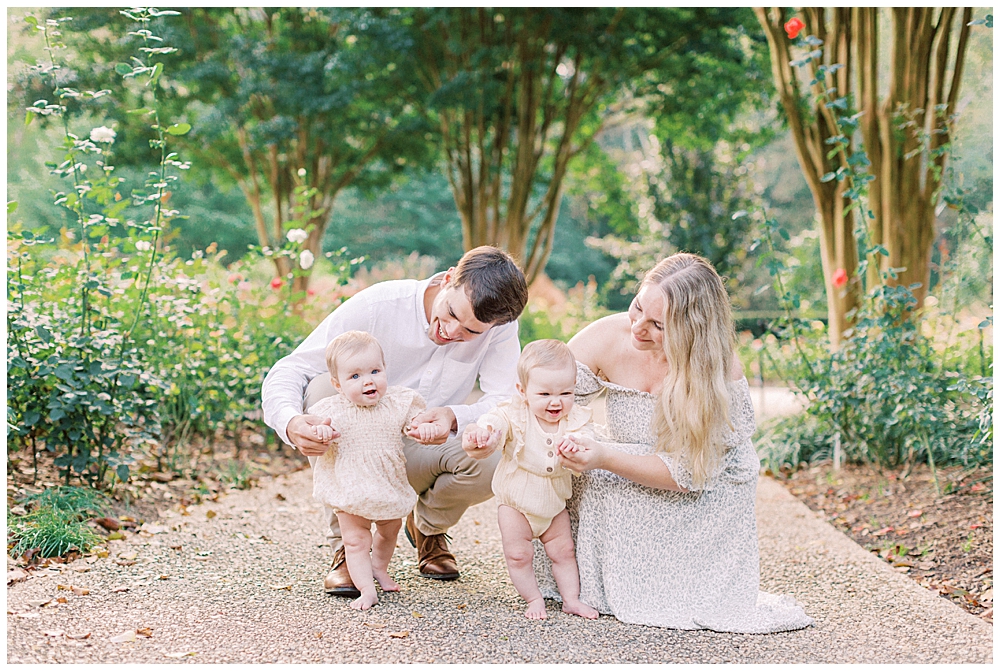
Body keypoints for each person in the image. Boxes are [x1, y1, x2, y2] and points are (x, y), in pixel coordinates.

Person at [534, 253, 812, 632]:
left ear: (690, 331)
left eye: (657, 325)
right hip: (630, 459)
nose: (637, 327)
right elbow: (544, 389)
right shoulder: (608, 335)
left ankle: (654, 583)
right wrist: (570, 436)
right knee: (563, 474)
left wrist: (603, 456)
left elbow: (688, 476)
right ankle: (578, 580)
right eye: (637, 308)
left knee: (605, 480)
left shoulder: (715, 369)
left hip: (705, 488)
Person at [262, 246, 528, 597]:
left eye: (470, 332)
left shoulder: (500, 328)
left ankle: (427, 527)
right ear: (448, 278)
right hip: (358, 443)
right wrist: (290, 422)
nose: (450, 331)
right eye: (450, 313)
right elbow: (292, 368)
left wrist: (453, 417)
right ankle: (347, 545)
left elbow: (506, 400)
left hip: (424, 444)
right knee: (322, 387)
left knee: (494, 450)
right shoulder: (379, 305)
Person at [462, 340, 599, 621]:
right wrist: (486, 431)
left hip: (554, 504)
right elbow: (495, 420)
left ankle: (571, 599)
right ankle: (533, 598)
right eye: (545, 393)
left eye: (566, 392)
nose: (556, 401)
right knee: (518, 555)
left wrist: (579, 444)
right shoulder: (515, 414)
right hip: (516, 503)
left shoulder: (575, 420)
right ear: (523, 392)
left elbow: (589, 438)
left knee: (564, 551)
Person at [308, 331, 438, 610]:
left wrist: (422, 426)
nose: (368, 380)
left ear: (384, 370)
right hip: (349, 484)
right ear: (337, 384)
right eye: (354, 377)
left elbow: (414, 422)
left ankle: (379, 566)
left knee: (390, 530)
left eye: (374, 371)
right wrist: (321, 430)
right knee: (355, 540)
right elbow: (318, 427)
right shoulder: (331, 409)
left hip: (386, 482)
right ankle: (366, 589)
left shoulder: (398, 402)